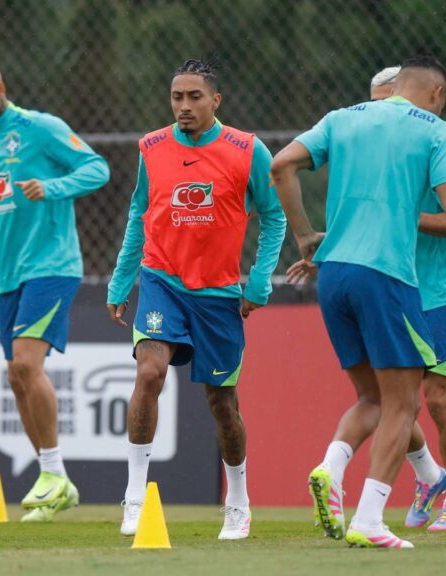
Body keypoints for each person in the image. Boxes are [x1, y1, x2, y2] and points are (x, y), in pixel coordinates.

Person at [271, 55, 446, 549]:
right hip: (387, 276)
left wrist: (303, 236)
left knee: (375, 398)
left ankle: (336, 468)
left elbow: (280, 165)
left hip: (333, 277)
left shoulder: (342, 118)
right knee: (404, 405)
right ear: (436, 93)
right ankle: (369, 518)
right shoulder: (433, 129)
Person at [107, 59, 286, 540]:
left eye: (193, 97)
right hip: (161, 280)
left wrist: (260, 282)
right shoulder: (151, 147)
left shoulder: (248, 150)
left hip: (219, 294)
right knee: (149, 372)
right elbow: (138, 213)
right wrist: (122, 280)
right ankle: (135, 497)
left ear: (215, 101)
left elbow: (275, 218)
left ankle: (239, 502)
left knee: (222, 404)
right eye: (176, 97)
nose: (183, 106)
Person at [0, 56, 109, 522]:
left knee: (23, 363)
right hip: (9, 277)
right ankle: (56, 478)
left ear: (1, 88)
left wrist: (53, 187)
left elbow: (97, 169)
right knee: (17, 376)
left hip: (52, 265)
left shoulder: (40, 128)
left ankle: (54, 474)